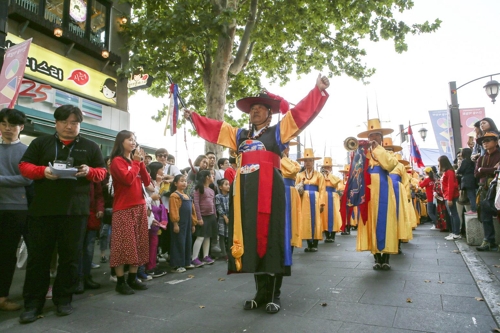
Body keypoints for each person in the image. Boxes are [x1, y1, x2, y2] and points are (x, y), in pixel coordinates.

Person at [183, 75, 329, 314]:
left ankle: (274, 294)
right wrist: (193, 118)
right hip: (245, 197)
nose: (256, 112)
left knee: (271, 239)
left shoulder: (278, 132)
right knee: (251, 241)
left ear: (269, 114)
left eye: (261, 108)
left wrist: (317, 90)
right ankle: (260, 293)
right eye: (253, 109)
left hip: (271, 193)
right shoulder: (239, 135)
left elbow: (300, 114)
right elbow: (215, 128)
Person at [18, 105, 106, 323]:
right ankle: (32, 303)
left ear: (80, 125)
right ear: (55, 123)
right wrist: (43, 171)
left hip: (75, 211)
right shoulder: (41, 143)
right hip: (43, 210)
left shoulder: (90, 146)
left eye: (74, 123)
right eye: (65, 122)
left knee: (70, 257)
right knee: (39, 258)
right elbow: (24, 166)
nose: (69, 126)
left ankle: (63, 299)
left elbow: (102, 172)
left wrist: (89, 171)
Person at [353, 119, 399, 270]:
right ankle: (376, 257)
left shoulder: (387, 152)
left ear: (381, 137)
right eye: (371, 136)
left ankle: (385, 257)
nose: (373, 138)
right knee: (371, 220)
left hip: (384, 187)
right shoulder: (364, 153)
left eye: (376, 136)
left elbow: (390, 165)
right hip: (368, 189)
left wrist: (378, 149)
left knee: (386, 220)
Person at [109, 130, 150, 295]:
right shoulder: (117, 161)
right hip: (123, 208)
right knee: (122, 245)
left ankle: (133, 278)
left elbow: (147, 181)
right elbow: (127, 180)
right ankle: (120, 281)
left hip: (140, 206)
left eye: (134, 140)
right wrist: (135, 163)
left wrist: (140, 163)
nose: (133, 142)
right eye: (129, 139)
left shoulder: (136, 161)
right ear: (121, 142)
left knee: (138, 244)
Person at [0, 108, 32, 312]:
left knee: (7, 254)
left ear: (21, 127)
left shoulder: (26, 151)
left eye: (12, 125)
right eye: (3, 124)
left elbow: (27, 178)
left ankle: (3, 297)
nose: (7, 128)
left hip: (17, 208)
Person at [75, 181, 104, 294]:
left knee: (88, 249)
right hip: (77, 214)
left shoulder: (93, 176)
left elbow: (98, 195)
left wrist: (100, 208)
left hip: (90, 216)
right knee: (78, 249)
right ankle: (78, 278)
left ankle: (85, 276)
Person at [474, 132, 500, 251]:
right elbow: (476, 174)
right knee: (485, 216)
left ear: (496, 142)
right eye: (483, 141)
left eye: (488, 140)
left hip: (498, 188)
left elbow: (496, 170)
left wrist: (483, 169)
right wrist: (492, 169)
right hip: (484, 188)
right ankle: (489, 240)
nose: (485, 143)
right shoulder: (481, 158)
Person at [296, 149, 325, 252]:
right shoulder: (299, 175)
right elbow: (296, 189)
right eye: (306, 161)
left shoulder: (319, 175)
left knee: (316, 219)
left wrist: (322, 203)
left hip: (316, 198)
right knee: (305, 220)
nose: (307, 163)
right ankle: (309, 244)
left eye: (310, 161)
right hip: (304, 199)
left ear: (313, 162)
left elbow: (322, 189)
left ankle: (315, 244)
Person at [168, 174, 198, 272]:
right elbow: (174, 210)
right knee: (178, 243)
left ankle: (186, 262)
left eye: (185, 181)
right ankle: (176, 265)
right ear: (176, 183)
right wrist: (175, 223)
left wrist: (193, 223)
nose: (184, 183)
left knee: (187, 242)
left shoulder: (187, 195)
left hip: (188, 223)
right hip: (180, 223)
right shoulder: (174, 196)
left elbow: (192, 211)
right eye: (181, 181)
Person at [280, 143, 302, 252]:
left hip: (289, 191)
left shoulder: (291, 162)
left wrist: (282, 158)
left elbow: (293, 170)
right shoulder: (275, 159)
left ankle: (290, 248)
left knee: (291, 219)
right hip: (279, 189)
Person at [192, 170, 217, 266]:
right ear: (207, 177)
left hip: (211, 216)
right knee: (200, 237)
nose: (213, 177)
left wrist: (214, 214)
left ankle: (205, 256)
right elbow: (196, 204)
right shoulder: (198, 189)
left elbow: (213, 203)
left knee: (208, 236)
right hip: (202, 216)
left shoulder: (211, 190)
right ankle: (194, 257)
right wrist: (199, 218)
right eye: (211, 175)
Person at [438, 155, 461, 241]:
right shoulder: (448, 172)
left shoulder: (449, 172)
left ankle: (456, 233)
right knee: (452, 214)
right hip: (447, 196)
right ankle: (454, 232)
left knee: (453, 214)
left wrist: (450, 198)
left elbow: (450, 186)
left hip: (450, 196)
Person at [319, 157, 342, 243]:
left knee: (334, 215)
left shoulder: (334, 177)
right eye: (325, 167)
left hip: (332, 196)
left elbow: (335, 183)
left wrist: (329, 174)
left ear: (331, 168)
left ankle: (332, 235)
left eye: (328, 167)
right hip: (324, 196)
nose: (326, 169)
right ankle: (326, 235)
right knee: (324, 215)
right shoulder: (321, 177)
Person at [456, 148, 477, 215]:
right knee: (473, 194)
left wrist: (457, 171)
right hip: (472, 178)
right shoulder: (472, 161)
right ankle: (474, 209)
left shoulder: (464, 161)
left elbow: (460, 170)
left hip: (467, 179)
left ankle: (474, 209)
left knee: (471, 195)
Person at [215, 178, 231, 261]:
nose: (228, 186)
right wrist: (224, 217)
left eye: (229, 184)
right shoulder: (218, 196)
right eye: (226, 184)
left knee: (229, 236)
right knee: (222, 236)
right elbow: (218, 207)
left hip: (230, 218)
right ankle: (224, 254)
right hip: (222, 219)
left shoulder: (231, 195)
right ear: (220, 187)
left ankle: (230, 252)